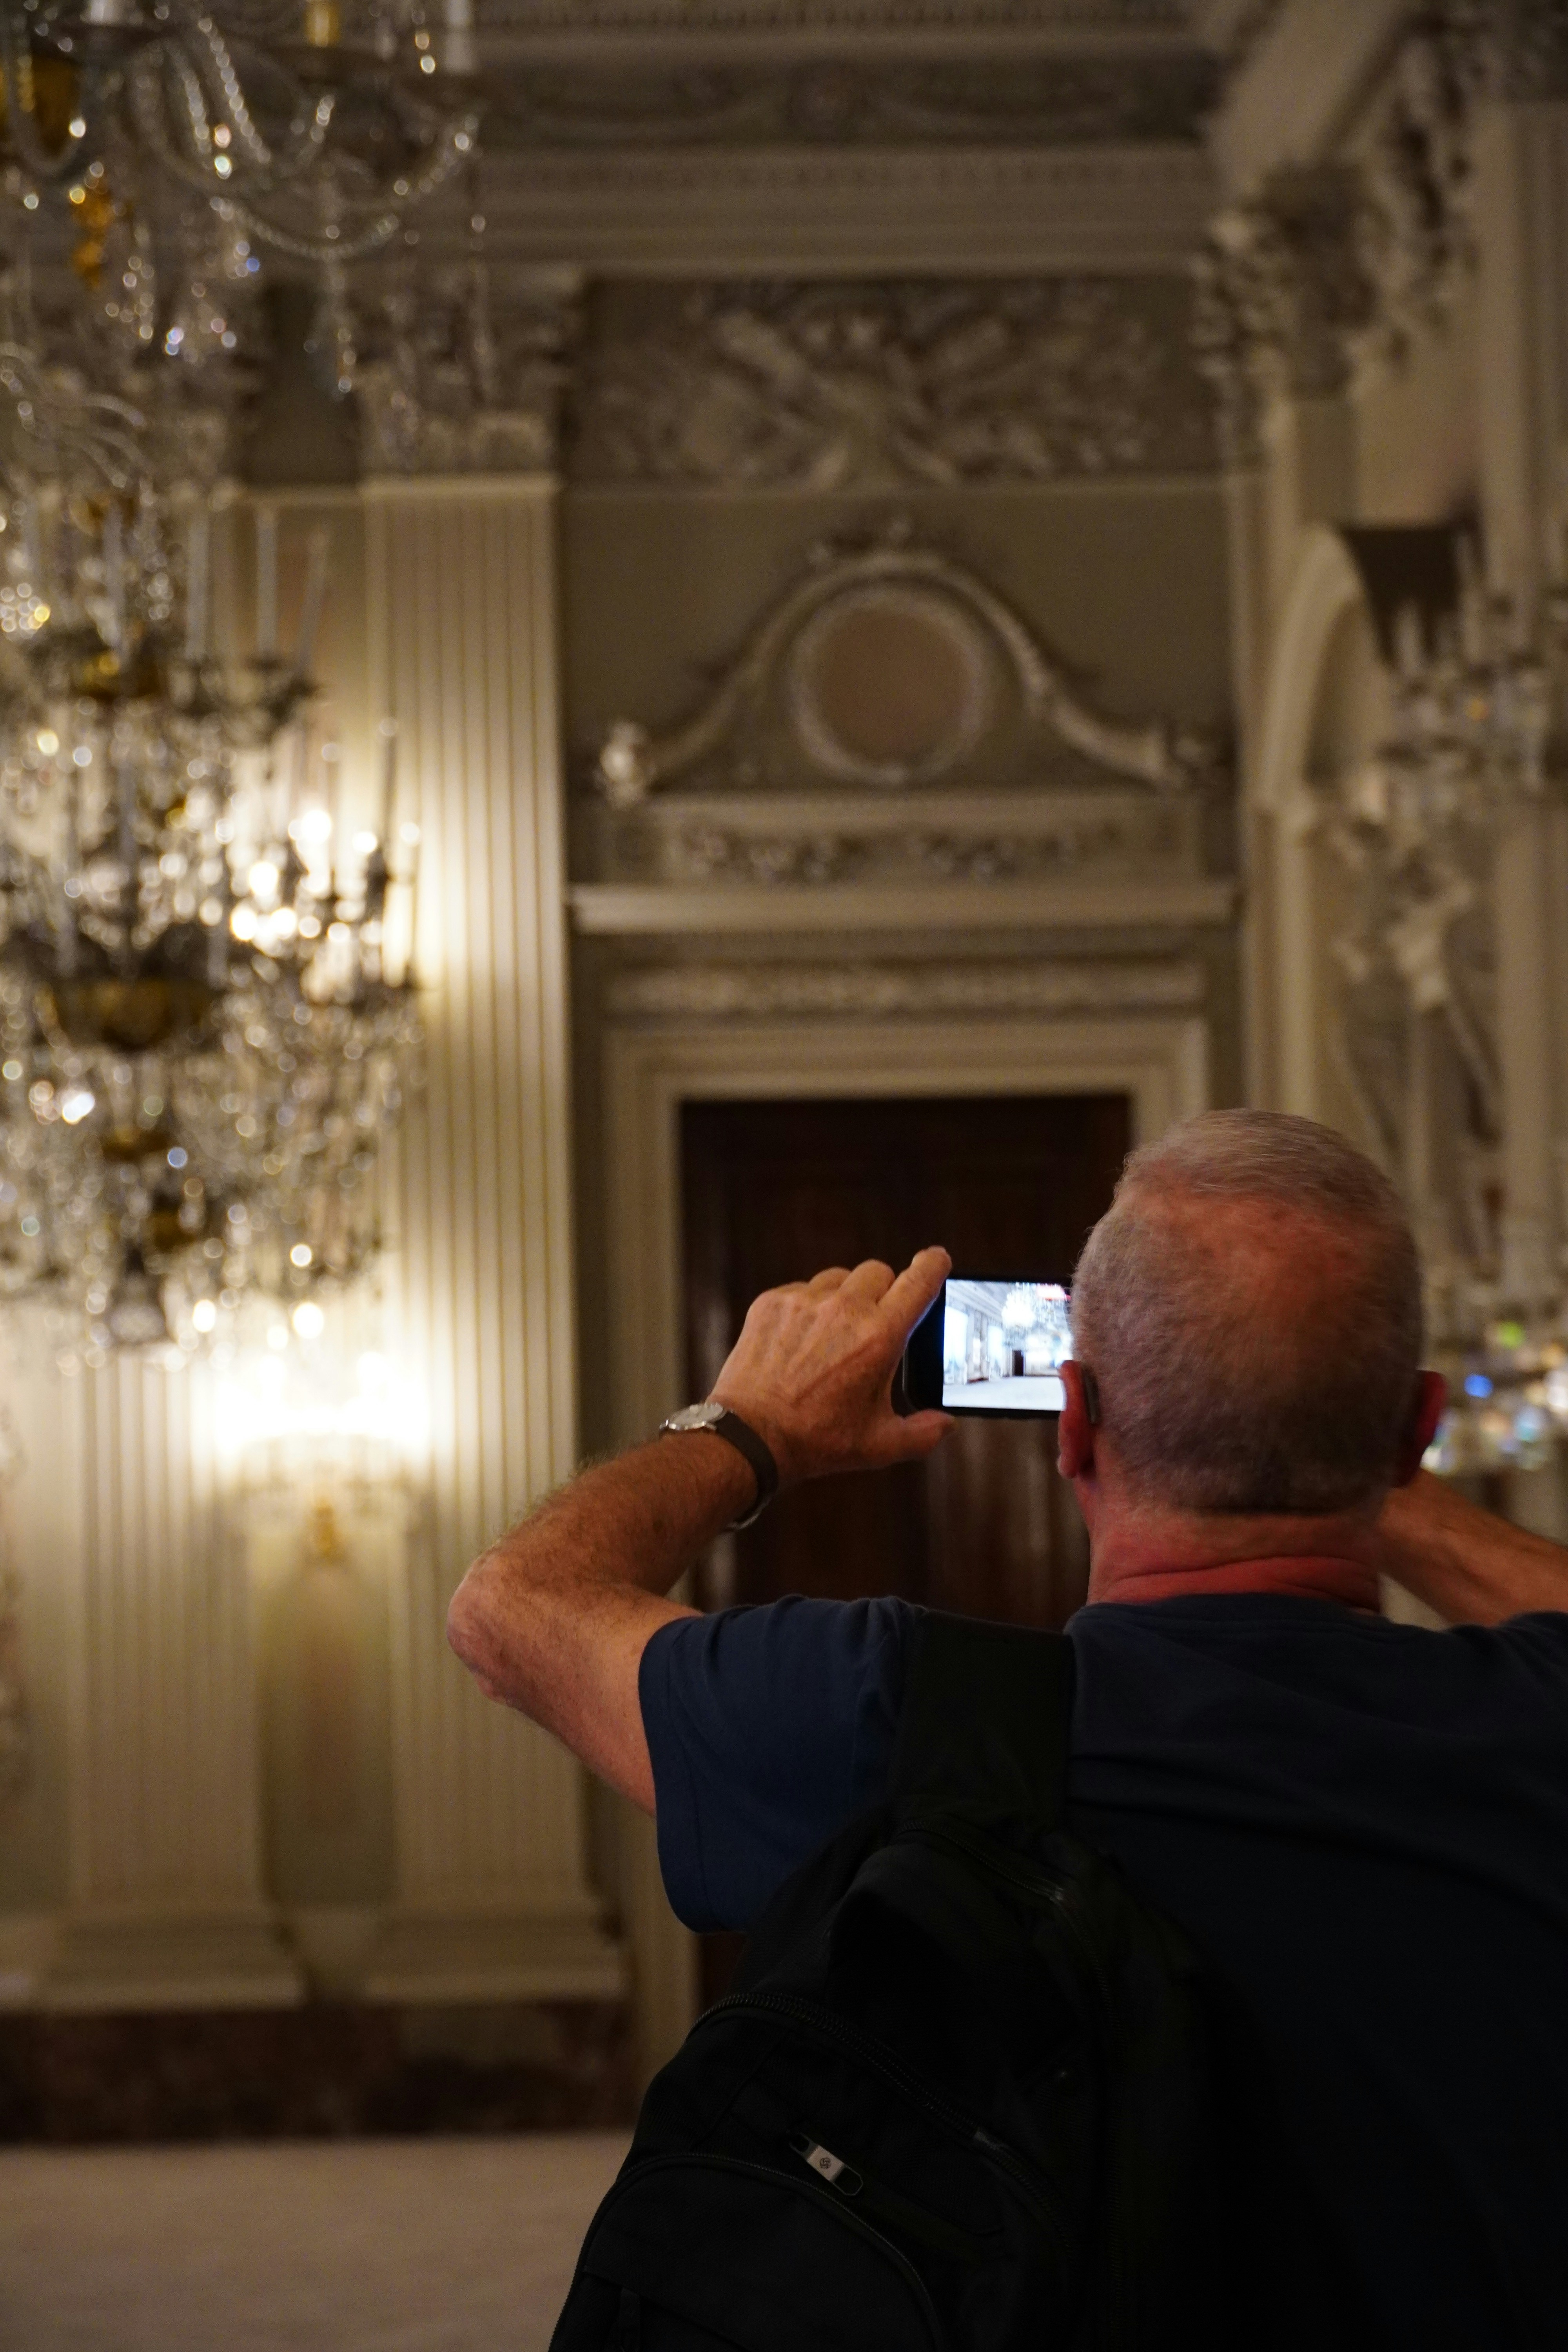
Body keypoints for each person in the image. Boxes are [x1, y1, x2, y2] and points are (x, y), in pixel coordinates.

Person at [448, 1110, 1568, 2349]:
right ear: (1415, 1432)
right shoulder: (1536, 1718)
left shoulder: (889, 1713)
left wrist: (750, 1426)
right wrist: (1333, 1450)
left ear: (1074, 1423)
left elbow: (511, 1613)